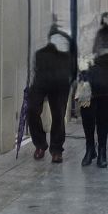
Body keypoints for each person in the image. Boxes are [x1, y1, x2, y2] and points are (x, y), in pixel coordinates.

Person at [80, 19, 108, 167]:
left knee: (103, 120)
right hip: (87, 86)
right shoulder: (87, 43)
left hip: (106, 87)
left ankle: (102, 151)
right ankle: (90, 148)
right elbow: (80, 59)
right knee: (87, 119)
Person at [28, 27, 76, 164]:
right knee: (32, 110)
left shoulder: (66, 51)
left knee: (59, 116)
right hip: (41, 81)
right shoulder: (40, 51)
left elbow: (72, 69)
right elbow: (34, 68)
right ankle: (40, 144)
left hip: (60, 84)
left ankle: (56, 150)